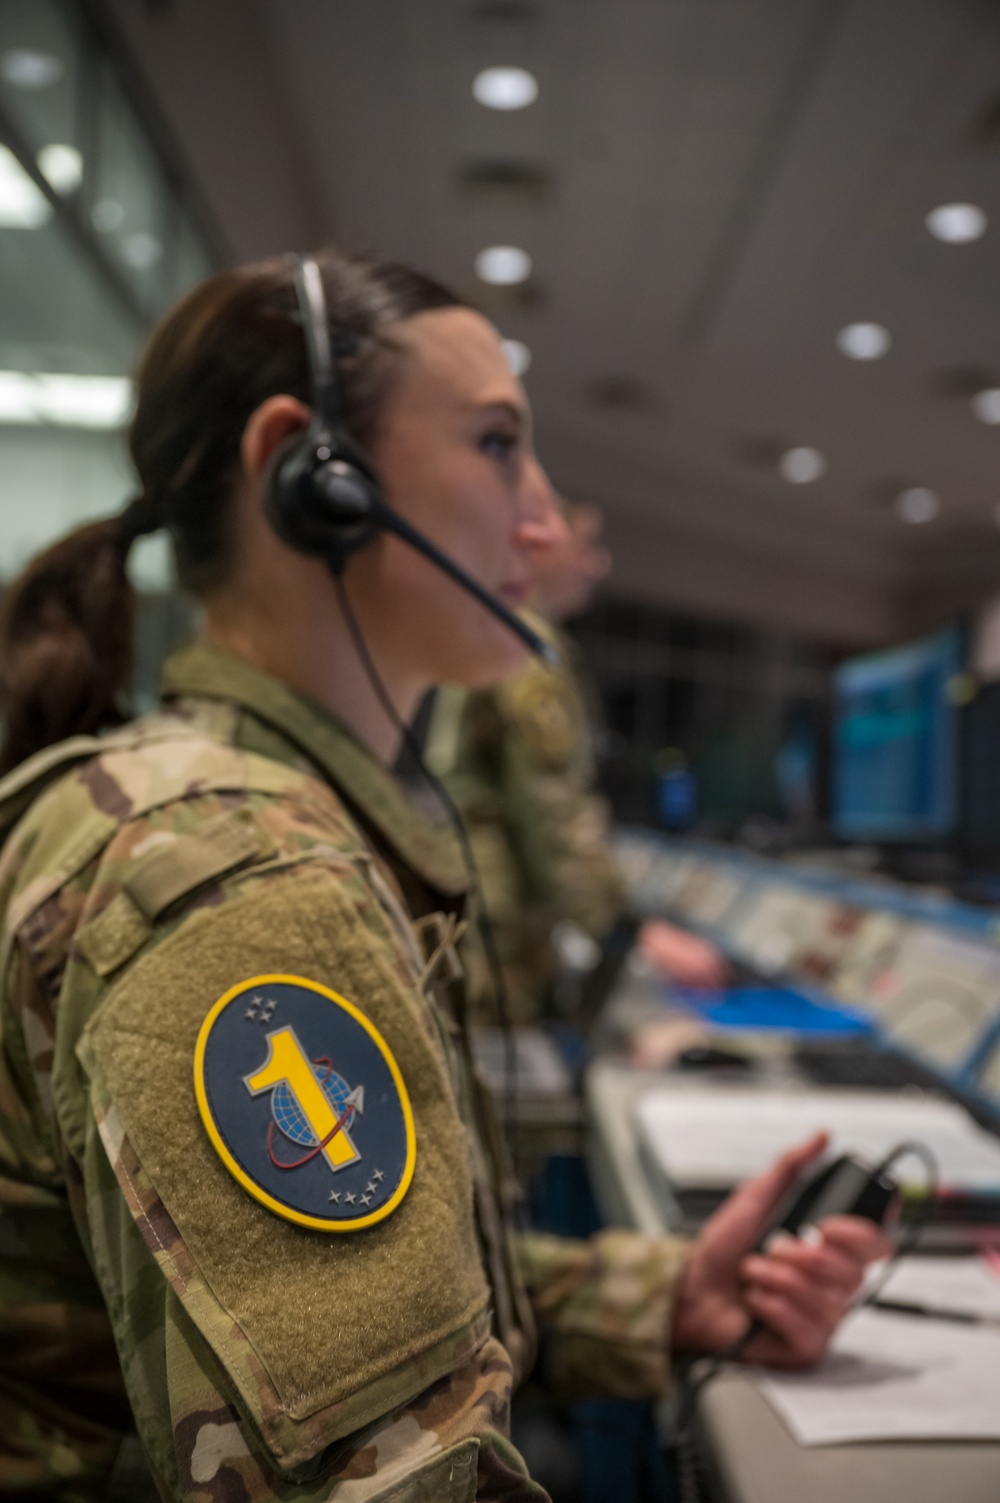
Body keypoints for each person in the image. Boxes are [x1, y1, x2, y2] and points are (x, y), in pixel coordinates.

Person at [0, 247, 889, 1502]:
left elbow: (374, 1330)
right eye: (496, 445)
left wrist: (665, 1297)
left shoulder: (246, 816)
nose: (544, 517)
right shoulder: (246, 887)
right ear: (310, 472)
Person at [427, 499, 724, 1026]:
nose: (598, 564)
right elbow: (556, 812)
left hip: (476, 916)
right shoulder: (525, 648)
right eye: (587, 546)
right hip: (504, 940)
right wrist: (633, 931)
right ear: (539, 543)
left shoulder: (490, 631)